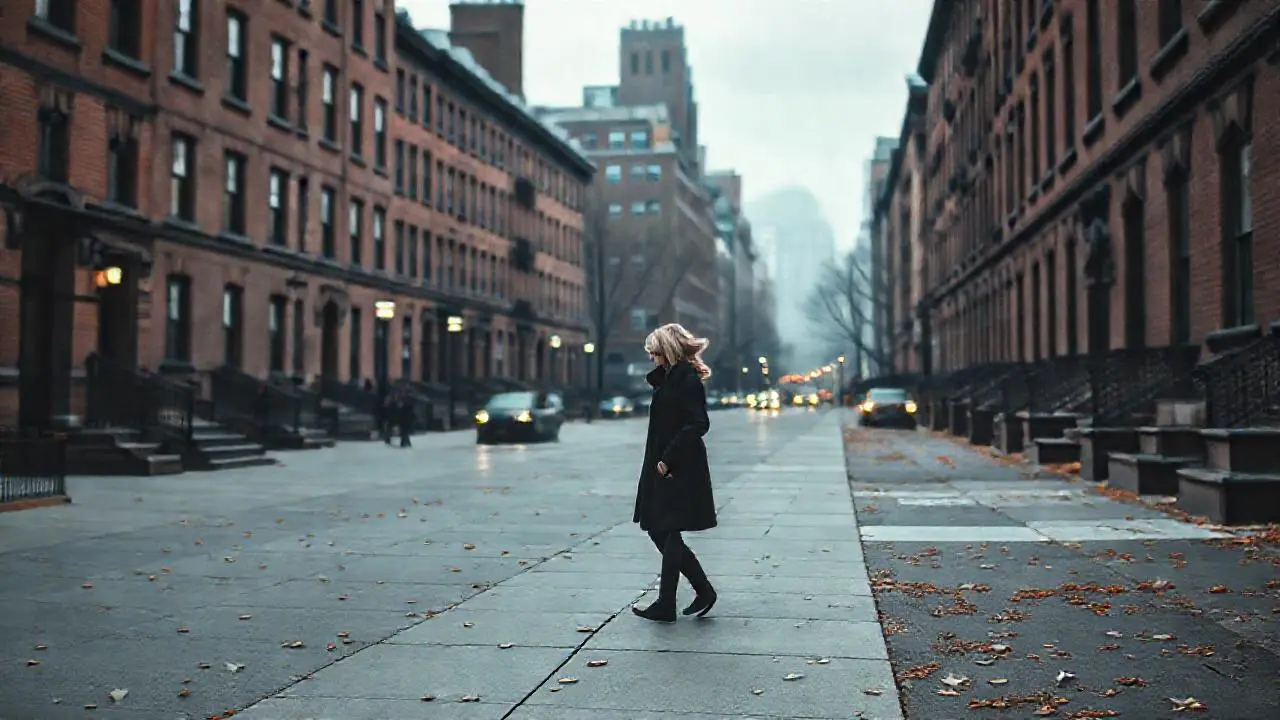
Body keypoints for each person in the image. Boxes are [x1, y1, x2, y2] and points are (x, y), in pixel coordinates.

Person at [631, 323, 718, 623]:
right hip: (664, 465)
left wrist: (668, 460)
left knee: (667, 530)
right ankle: (702, 590)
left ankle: (667, 603)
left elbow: (698, 423)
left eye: (654, 352)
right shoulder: (668, 379)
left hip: (680, 466)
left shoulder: (686, 381)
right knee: (660, 529)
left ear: (667, 351)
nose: (651, 358)